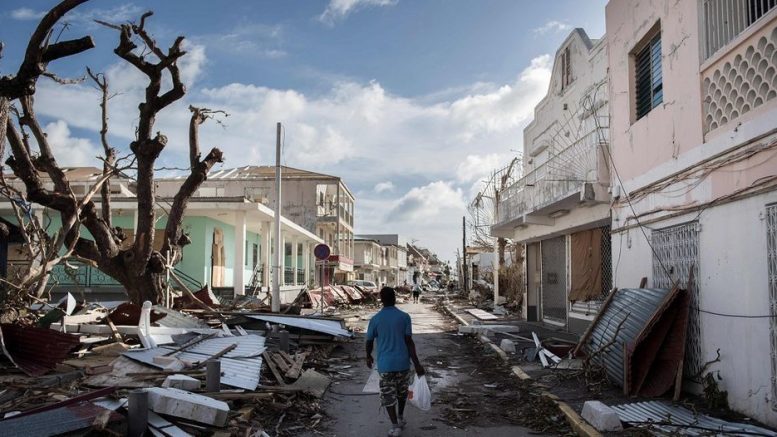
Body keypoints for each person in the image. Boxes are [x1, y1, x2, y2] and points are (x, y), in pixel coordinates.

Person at [366, 287, 425, 437]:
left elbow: (369, 341)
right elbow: (409, 342)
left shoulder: (375, 319)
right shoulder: (404, 317)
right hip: (403, 364)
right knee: (402, 393)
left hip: (385, 365)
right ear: (394, 298)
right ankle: (400, 416)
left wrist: (368, 356)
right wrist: (417, 364)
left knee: (388, 395)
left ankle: (394, 425)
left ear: (381, 299)